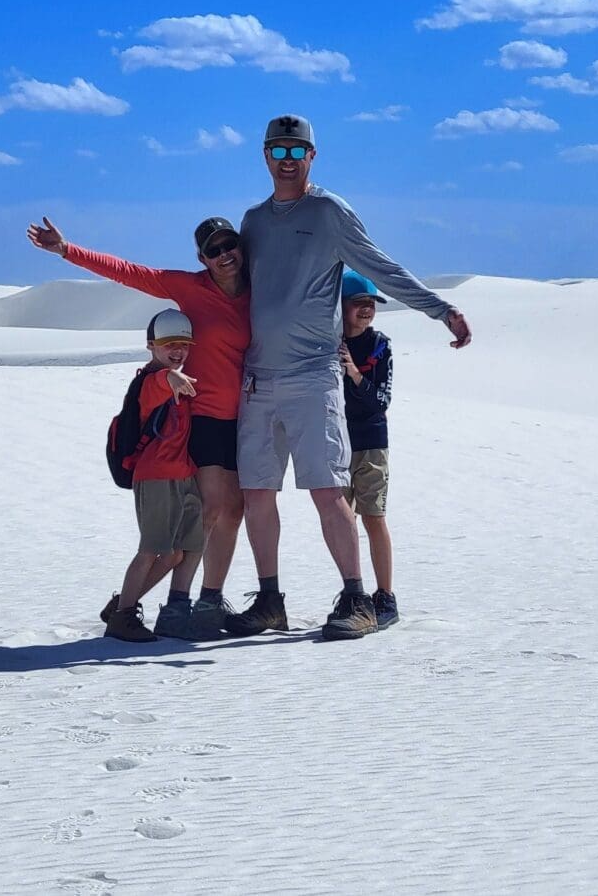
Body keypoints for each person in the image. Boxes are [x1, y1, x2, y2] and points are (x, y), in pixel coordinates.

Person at [226, 113, 472, 642]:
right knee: (257, 493)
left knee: (327, 489)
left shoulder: (330, 212)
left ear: (312, 156)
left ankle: (356, 598)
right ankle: (269, 601)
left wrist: (441, 309)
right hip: (259, 379)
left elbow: (381, 267)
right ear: (264, 155)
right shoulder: (253, 221)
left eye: (297, 151)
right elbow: (237, 290)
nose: (287, 161)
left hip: (313, 376)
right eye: (278, 151)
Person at [27, 216, 250, 639]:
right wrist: (68, 250)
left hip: (243, 418)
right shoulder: (190, 287)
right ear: (202, 258)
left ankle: (206, 600)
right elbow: (131, 273)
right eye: (214, 250)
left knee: (234, 510)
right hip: (201, 417)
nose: (224, 255)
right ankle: (178, 604)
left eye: (229, 245)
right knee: (208, 511)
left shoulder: (257, 292)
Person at [99, 309, 203, 642]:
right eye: (169, 344)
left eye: (183, 345)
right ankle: (123, 619)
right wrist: (172, 377)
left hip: (182, 476)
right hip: (156, 477)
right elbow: (161, 383)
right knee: (150, 550)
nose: (178, 351)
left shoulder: (173, 378)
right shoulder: (150, 382)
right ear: (151, 346)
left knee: (174, 554)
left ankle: (122, 605)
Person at [338, 271, 397, 630]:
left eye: (371, 304)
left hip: (371, 442)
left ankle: (385, 596)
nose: (367, 310)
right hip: (336, 441)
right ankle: (353, 594)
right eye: (359, 303)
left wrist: (355, 374)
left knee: (374, 517)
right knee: (342, 521)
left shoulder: (379, 345)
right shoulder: (328, 341)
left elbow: (381, 400)